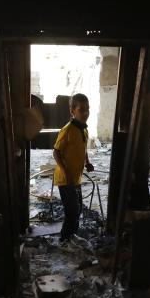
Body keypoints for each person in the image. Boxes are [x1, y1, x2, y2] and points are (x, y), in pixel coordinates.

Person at [53, 93, 95, 246]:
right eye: (82, 109)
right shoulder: (67, 130)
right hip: (65, 180)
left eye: (87, 109)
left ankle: (73, 236)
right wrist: (65, 172)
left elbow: (82, 149)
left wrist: (87, 162)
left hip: (76, 178)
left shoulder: (83, 129)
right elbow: (56, 152)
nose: (86, 113)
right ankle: (64, 240)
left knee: (77, 210)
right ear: (72, 111)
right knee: (71, 212)